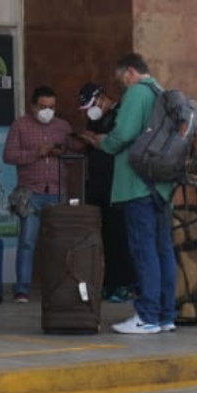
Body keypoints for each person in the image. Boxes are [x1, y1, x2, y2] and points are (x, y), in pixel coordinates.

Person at [79, 53, 177, 334]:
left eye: (121, 77)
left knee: (143, 251)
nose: (120, 83)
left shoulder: (137, 93)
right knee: (163, 251)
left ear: (131, 72)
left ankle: (147, 316)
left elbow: (123, 134)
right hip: (160, 186)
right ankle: (165, 314)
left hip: (137, 186)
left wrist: (103, 143)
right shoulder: (161, 91)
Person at [2, 85, 75, 303]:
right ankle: (22, 289)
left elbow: (73, 154)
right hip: (30, 192)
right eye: (43, 107)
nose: (47, 111)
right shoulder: (20, 126)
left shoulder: (63, 127)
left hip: (57, 192)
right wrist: (36, 153)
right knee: (27, 241)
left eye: (52, 107)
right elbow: (9, 155)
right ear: (33, 106)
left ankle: (58, 286)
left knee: (59, 243)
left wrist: (62, 152)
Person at [77, 81, 135, 302]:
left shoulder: (122, 115)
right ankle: (110, 283)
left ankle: (126, 284)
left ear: (102, 98)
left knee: (122, 237)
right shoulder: (95, 119)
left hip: (118, 186)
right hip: (98, 185)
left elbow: (123, 143)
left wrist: (104, 141)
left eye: (92, 105)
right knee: (106, 239)